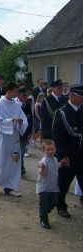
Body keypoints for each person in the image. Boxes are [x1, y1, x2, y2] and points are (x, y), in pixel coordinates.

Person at [0, 82, 28, 197]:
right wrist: (12, 121)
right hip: (2, 137)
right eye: (16, 91)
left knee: (13, 162)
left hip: (14, 137)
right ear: (9, 91)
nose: (17, 93)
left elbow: (24, 120)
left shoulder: (16, 105)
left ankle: (10, 187)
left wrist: (20, 122)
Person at [52, 84, 83, 218]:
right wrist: (63, 155)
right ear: (72, 96)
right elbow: (57, 135)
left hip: (82, 153)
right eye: (80, 97)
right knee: (64, 183)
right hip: (69, 154)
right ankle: (61, 206)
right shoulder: (62, 112)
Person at [36, 139, 59, 229]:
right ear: (43, 151)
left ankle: (44, 211)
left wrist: (61, 164)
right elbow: (43, 174)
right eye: (48, 150)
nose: (50, 151)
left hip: (53, 187)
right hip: (44, 188)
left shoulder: (55, 159)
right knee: (44, 204)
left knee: (55, 201)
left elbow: (56, 167)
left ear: (55, 149)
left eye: (52, 149)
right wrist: (43, 168)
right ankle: (44, 220)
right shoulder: (43, 161)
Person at [16, 87, 33, 175]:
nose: (25, 96)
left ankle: (21, 166)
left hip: (24, 132)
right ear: (18, 95)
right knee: (15, 151)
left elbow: (30, 120)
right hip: (15, 132)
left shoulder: (27, 105)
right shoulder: (14, 104)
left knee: (22, 151)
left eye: (26, 95)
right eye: (23, 95)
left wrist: (30, 132)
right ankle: (17, 166)